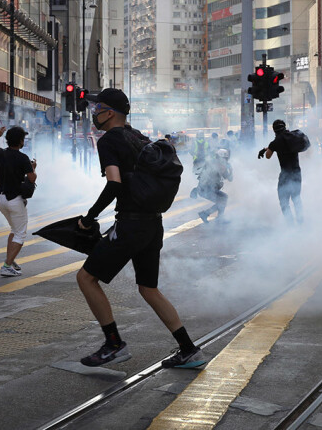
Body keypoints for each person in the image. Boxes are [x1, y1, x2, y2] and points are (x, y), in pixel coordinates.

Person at [77, 88, 205, 369]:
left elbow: (114, 183)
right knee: (149, 288)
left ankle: (113, 344)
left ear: (109, 112)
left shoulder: (109, 140)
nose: (94, 113)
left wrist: (89, 217)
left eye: (97, 107)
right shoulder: (138, 136)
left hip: (131, 224)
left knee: (86, 278)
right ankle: (188, 349)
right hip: (153, 223)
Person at [0, 126, 37, 277]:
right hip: (14, 199)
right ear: (21, 141)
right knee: (20, 234)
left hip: (0, 199)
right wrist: (33, 168)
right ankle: (7, 266)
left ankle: (10, 260)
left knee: (14, 230)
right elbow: (32, 179)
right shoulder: (23, 158)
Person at [258, 119, 304, 224]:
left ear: (274, 130)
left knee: (284, 202)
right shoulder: (293, 138)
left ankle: (290, 224)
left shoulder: (276, 142)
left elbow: (268, 156)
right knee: (296, 199)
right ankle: (301, 223)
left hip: (285, 175)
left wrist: (268, 149)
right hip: (297, 173)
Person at [192, 148, 233, 223]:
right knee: (222, 200)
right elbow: (228, 177)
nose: (226, 160)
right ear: (220, 157)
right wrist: (230, 170)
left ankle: (207, 214)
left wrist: (230, 170)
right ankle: (212, 216)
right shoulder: (217, 165)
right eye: (225, 158)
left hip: (206, 189)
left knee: (223, 198)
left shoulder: (215, 163)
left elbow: (230, 178)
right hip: (205, 189)